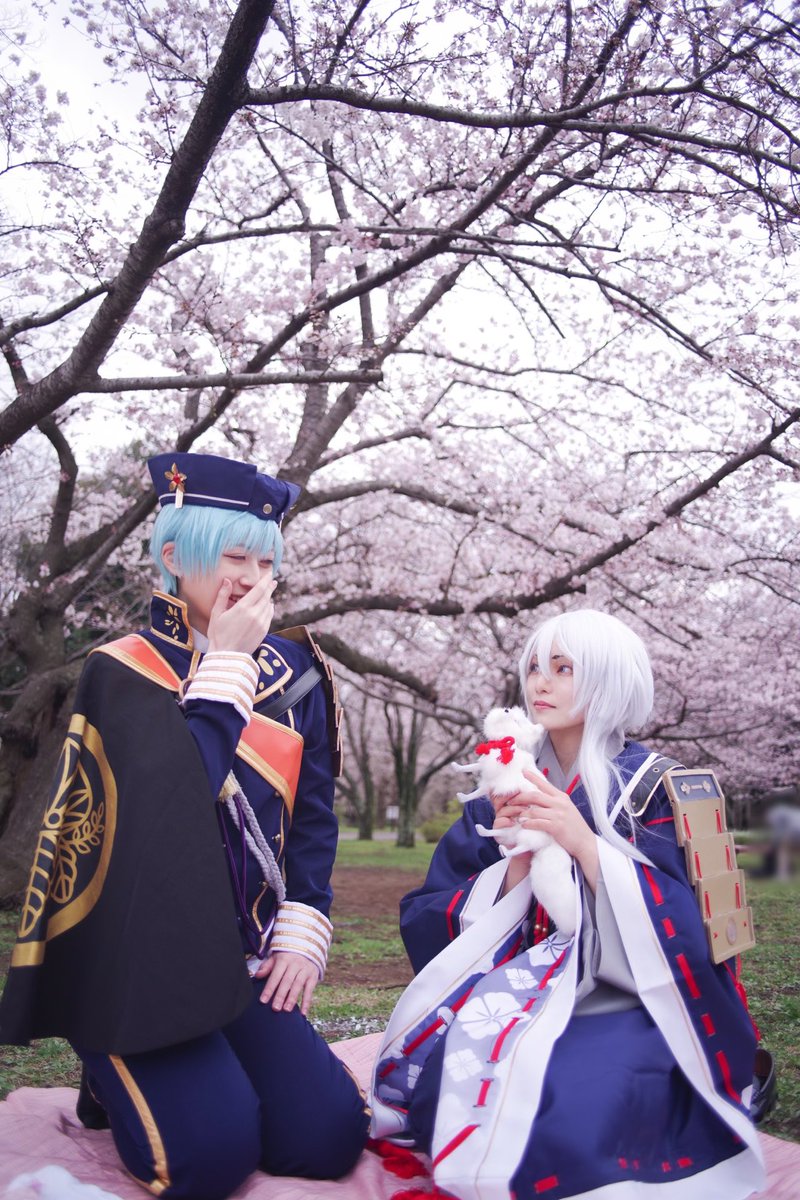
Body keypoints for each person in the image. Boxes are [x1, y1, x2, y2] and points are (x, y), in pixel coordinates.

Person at [0, 452, 370, 1200]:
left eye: (265, 560)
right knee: (208, 1162)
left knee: (325, 1137)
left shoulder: (296, 673)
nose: (252, 577)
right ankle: (111, 1064)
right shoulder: (121, 672)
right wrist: (225, 666)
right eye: (234, 556)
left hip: (240, 959)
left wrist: (303, 924)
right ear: (174, 555)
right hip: (138, 963)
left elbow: (312, 818)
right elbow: (170, 808)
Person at [371, 610, 765, 1200]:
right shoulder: (502, 784)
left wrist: (583, 843)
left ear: (610, 677)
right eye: (534, 667)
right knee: (454, 1079)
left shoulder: (661, 788)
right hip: (516, 988)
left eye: (563, 669)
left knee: (570, 1104)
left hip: (630, 996)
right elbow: (431, 910)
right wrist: (516, 863)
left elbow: (699, 934)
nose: (541, 683)